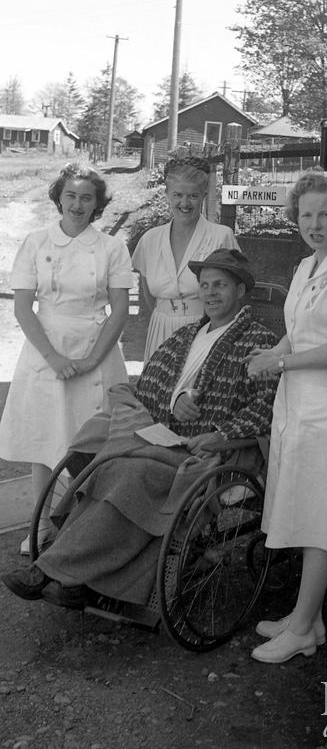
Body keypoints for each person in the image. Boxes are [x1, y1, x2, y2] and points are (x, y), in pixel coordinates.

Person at [2, 249, 279, 609]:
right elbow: (149, 385)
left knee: (126, 475)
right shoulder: (185, 337)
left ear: (241, 291)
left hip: (204, 448)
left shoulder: (260, 342)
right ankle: (84, 580)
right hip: (163, 432)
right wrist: (173, 399)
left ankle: (51, 568)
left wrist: (221, 435)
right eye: (205, 285)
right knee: (98, 452)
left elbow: (266, 405)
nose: (210, 293)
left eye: (221, 285)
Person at [245, 170, 327, 664]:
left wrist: (279, 363)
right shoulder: (305, 266)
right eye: (306, 214)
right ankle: (309, 617)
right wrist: (273, 349)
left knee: (321, 518)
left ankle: (299, 629)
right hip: (296, 402)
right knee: (303, 506)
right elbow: (298, 334)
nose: (315, 223)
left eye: (325, 214)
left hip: (325, 406)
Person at [0, 162, 133, 555]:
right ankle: (40, 525)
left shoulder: (111, 247)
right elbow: (24, 308)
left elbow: (121, 310)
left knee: (91, 442)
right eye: (71, 195)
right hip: (45, 353)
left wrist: (93, 359)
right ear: (59, 198)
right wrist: (54, 358)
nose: (78, 204)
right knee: (44, 440)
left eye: (86, 198)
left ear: (97, 205)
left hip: (98, 349)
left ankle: (84, 526)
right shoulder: (36, 243)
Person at [132, 155, 239, 362]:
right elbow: (148, 296)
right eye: (178, 195)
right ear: (167, 195)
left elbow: (234, 296)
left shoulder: (221, 236)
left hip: (205, 329)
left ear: (204, 195)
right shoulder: (150, 239)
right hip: (160, 330)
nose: (185, 203)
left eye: (193, 196)